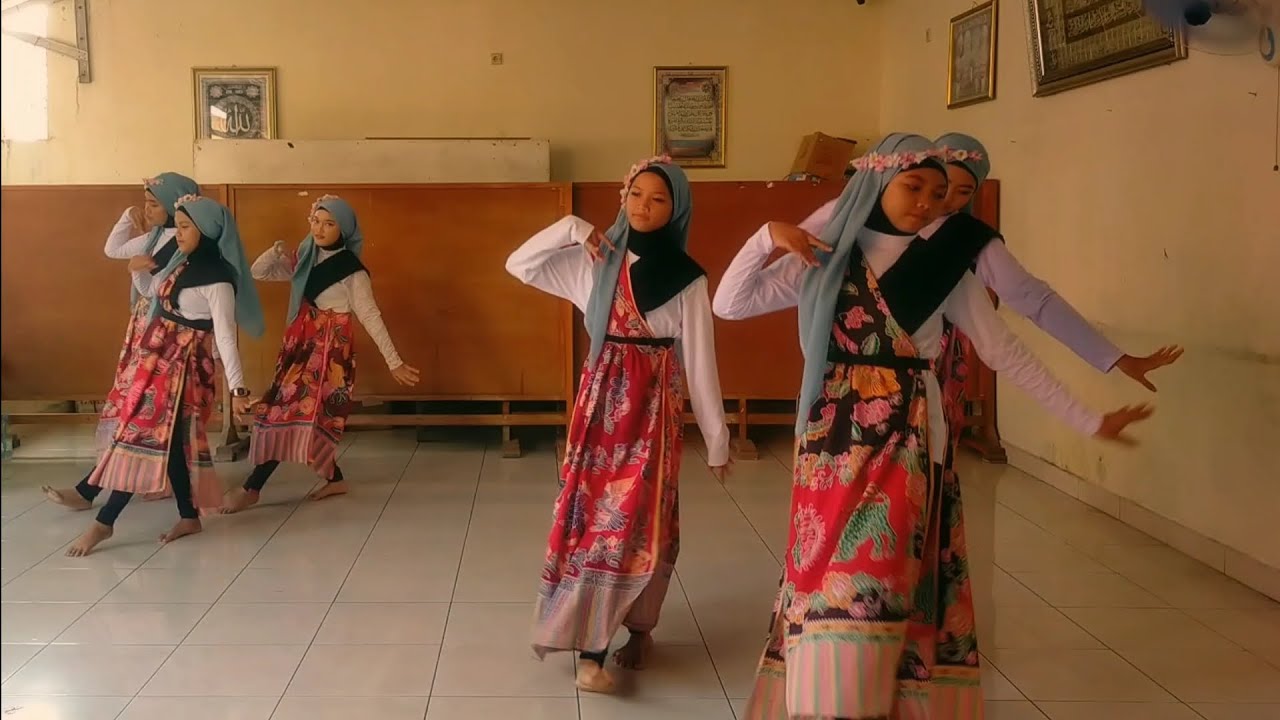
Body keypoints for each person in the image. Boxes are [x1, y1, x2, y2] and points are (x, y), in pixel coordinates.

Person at [714, 134, 1154, 719]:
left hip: (908, 442)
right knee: (819, 579)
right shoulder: (826, 256)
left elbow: (1006, 353)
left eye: (938, 193)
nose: (925, 201)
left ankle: (852, 704)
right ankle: (823, 702)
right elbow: (730, 303)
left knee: (876, 582)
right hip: (830, 443)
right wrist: (768, 235)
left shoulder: (947, 269)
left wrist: (1087, 418)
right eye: (912, 186)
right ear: (877, 183)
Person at [505, 156, 731, 693]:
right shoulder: (597, 262)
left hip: (654, 416)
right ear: (621, 198)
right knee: (595, 522)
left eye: (658, 199)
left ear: (677, 208)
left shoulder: (688, 277)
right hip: (599, 413)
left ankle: (639, 629)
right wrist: (574, 227)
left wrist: (718, 441)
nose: (644, 208)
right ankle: (591, 648)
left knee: (643, 523)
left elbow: (700, 361)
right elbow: (520, 264)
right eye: (634, 195)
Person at [65, 195, 264, 557]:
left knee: (142, 437)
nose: (179, 232)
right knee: (164, 442)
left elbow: (224, 336)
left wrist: (238, 389)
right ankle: (189, 516)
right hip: (158, 364)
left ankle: (104, 523)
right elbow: (152, 294)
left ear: (206, 231)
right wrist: (138, 270)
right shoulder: (181, 263)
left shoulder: (218, 280)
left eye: (186, 226)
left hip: (182, 371)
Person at [221, 195, 419, 513]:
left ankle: (252, 487)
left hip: (327, 356)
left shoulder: (352, 271)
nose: (321, 229)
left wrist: (394, 361)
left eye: (329, 224)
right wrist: (274, 254)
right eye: (316, 221)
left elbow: (370, 315)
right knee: (300, 416)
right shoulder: (306, 260)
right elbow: (260, 273)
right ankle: (334, 478)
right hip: (301, 350)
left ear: (344, 229)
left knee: (286, 413)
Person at [42, 173, 200, 511]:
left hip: (165, 338)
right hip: (145, 334)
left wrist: (137, 272)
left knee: (149, 415)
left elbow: (152, 290)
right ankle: (140, 486)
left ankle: (111, 488)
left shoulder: (183, 243)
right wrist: (127, 216)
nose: (148, 209)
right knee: (138, 412)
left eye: (153, 204)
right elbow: (112, 249)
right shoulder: (154, 237)